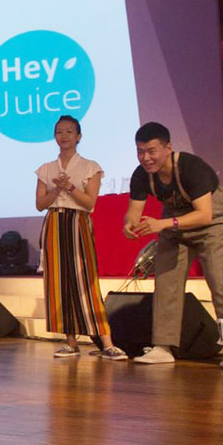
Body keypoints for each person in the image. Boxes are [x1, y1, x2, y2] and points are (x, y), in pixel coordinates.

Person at [124, 122, 223, 368]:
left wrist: (163, 224)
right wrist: (130, 226)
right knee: (166, 280)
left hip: (215, 223)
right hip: (174, 225)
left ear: (168, 148)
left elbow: (205, 215)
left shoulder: (191, 167)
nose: (146, 158)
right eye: (140, 151)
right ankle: (163, 347)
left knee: (220, 281)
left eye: (151, 151)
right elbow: (133, 212)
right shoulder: (141, 175)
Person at [35, 116, 126, 360]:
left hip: (77, 222)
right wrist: (56, 189)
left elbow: (90, 202)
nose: (63, 136)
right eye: (59, 132)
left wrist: (70, 188)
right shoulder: (46, 168)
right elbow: (39, 204)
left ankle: (106, 342)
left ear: (79, 136)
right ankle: (70, 341)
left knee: (85, 279)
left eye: (69, 131)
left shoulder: (90, 166)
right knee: (58, 281)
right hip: (54, 221)